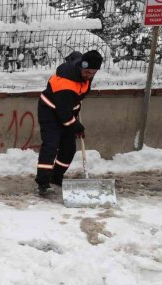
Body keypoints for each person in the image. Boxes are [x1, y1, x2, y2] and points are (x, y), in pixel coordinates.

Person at [35, 50, 103, 196]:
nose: (89, 76)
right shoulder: (66, 82)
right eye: (87, 72)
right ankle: (43, 183)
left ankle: (56, 176)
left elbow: (75, 57)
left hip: (66, 110)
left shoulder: (83, 70)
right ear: (81, 67)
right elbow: (63, 113)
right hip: (50, 110)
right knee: (51, 145)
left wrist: (75, 111)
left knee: (69, 148)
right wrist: (76, 125)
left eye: (93, 73)